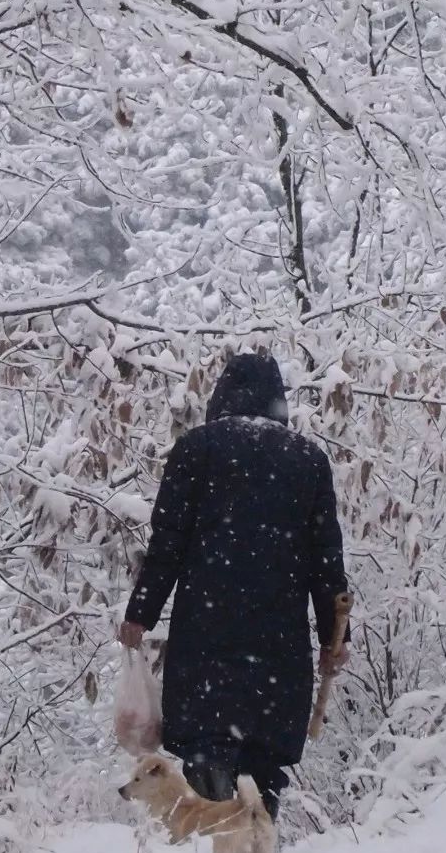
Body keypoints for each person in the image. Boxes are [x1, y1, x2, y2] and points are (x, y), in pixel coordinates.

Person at [118, 351, 349, 821]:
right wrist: (335, 638)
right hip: (277, 642)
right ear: (277, 401)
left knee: (207, 750)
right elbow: (327, 562)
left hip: (207, 634)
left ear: (222, 395)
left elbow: (168, 546)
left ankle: (215, 848)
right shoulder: (308, 460)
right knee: (262, 763)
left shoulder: (197, 450)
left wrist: (139, 613)